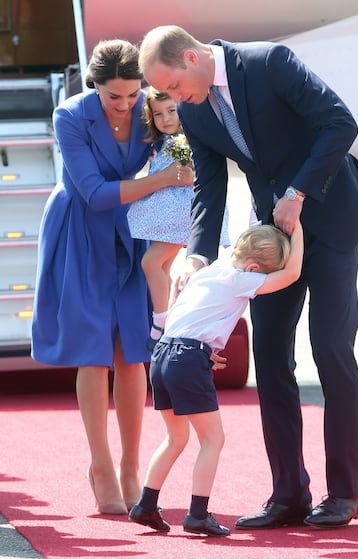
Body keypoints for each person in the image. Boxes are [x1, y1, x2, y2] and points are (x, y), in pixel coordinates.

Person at [138, 25, 358, 529]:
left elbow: (340, 123)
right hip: (270, 242)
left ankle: (345, 493)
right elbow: (208, 187)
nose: (176, 101)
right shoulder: (197, 110)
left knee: (331, 347)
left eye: (176, 87)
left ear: (191, 57)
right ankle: (288, 493)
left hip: (331, 217)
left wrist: (297, 192)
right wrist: (198, 258)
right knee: (269, 355)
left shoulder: (269, 62)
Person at [31, 39, 192, 515]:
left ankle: (129, 467)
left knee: (132, 351)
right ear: (94, 85)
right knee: (94, 350)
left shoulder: (151, 105)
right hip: (80, 230)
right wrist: (164, 180)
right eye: (113, 96)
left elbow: (184, 148)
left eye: (131, 94)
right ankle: (100, 466)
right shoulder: (70, 116)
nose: (125, 104)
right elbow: (96, 194)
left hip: (133, 230)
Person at [129, 221, 304, 536]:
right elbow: (291, 274)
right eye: (261, 275)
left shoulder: (205, 272)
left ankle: (146, 504)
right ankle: (197, 513)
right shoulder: (240, 279)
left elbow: (190, 313)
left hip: (164, 353)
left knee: (175, 438)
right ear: (252, 267)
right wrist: (298, 226)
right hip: (188, 359)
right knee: (213, 439)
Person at [127, 87, 229, 350]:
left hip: (181, 214)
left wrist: (183, 174)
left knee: (150, 262)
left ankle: (161, 321)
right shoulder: (169, 142)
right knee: (160, 267)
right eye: (158, 114)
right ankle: (168, 316)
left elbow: (190, 174)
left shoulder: (181, 142)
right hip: (175, 214)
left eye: (172, 111)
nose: (166, 119)